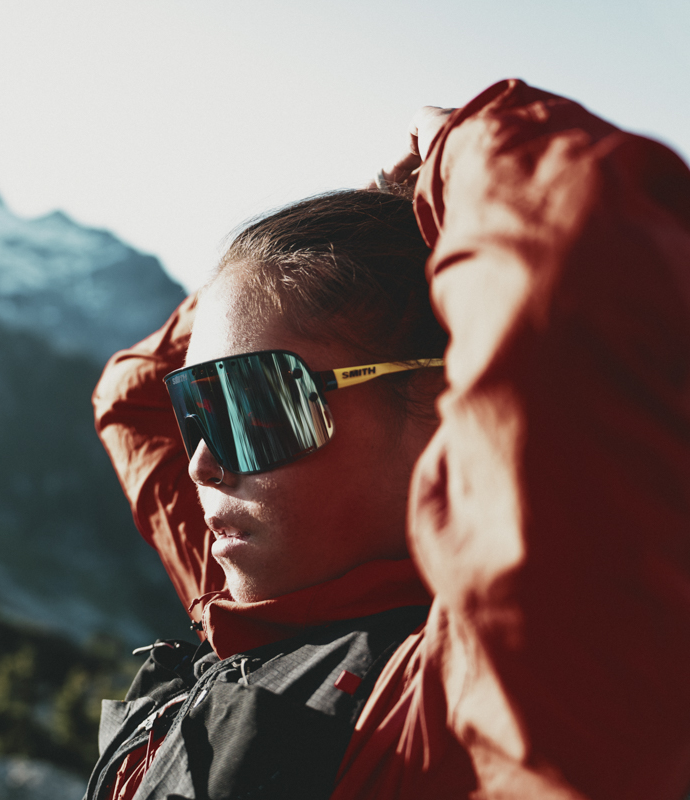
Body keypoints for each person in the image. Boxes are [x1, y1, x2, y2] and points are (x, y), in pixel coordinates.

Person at [86, 79, 690, 800]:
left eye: (258, 406)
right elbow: (131, 398)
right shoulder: (252, 607)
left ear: (445, 405)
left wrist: (453, 157)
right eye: (201, 409)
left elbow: (581, 256)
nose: (204, 463)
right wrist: (322, 251)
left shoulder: (463, 700)